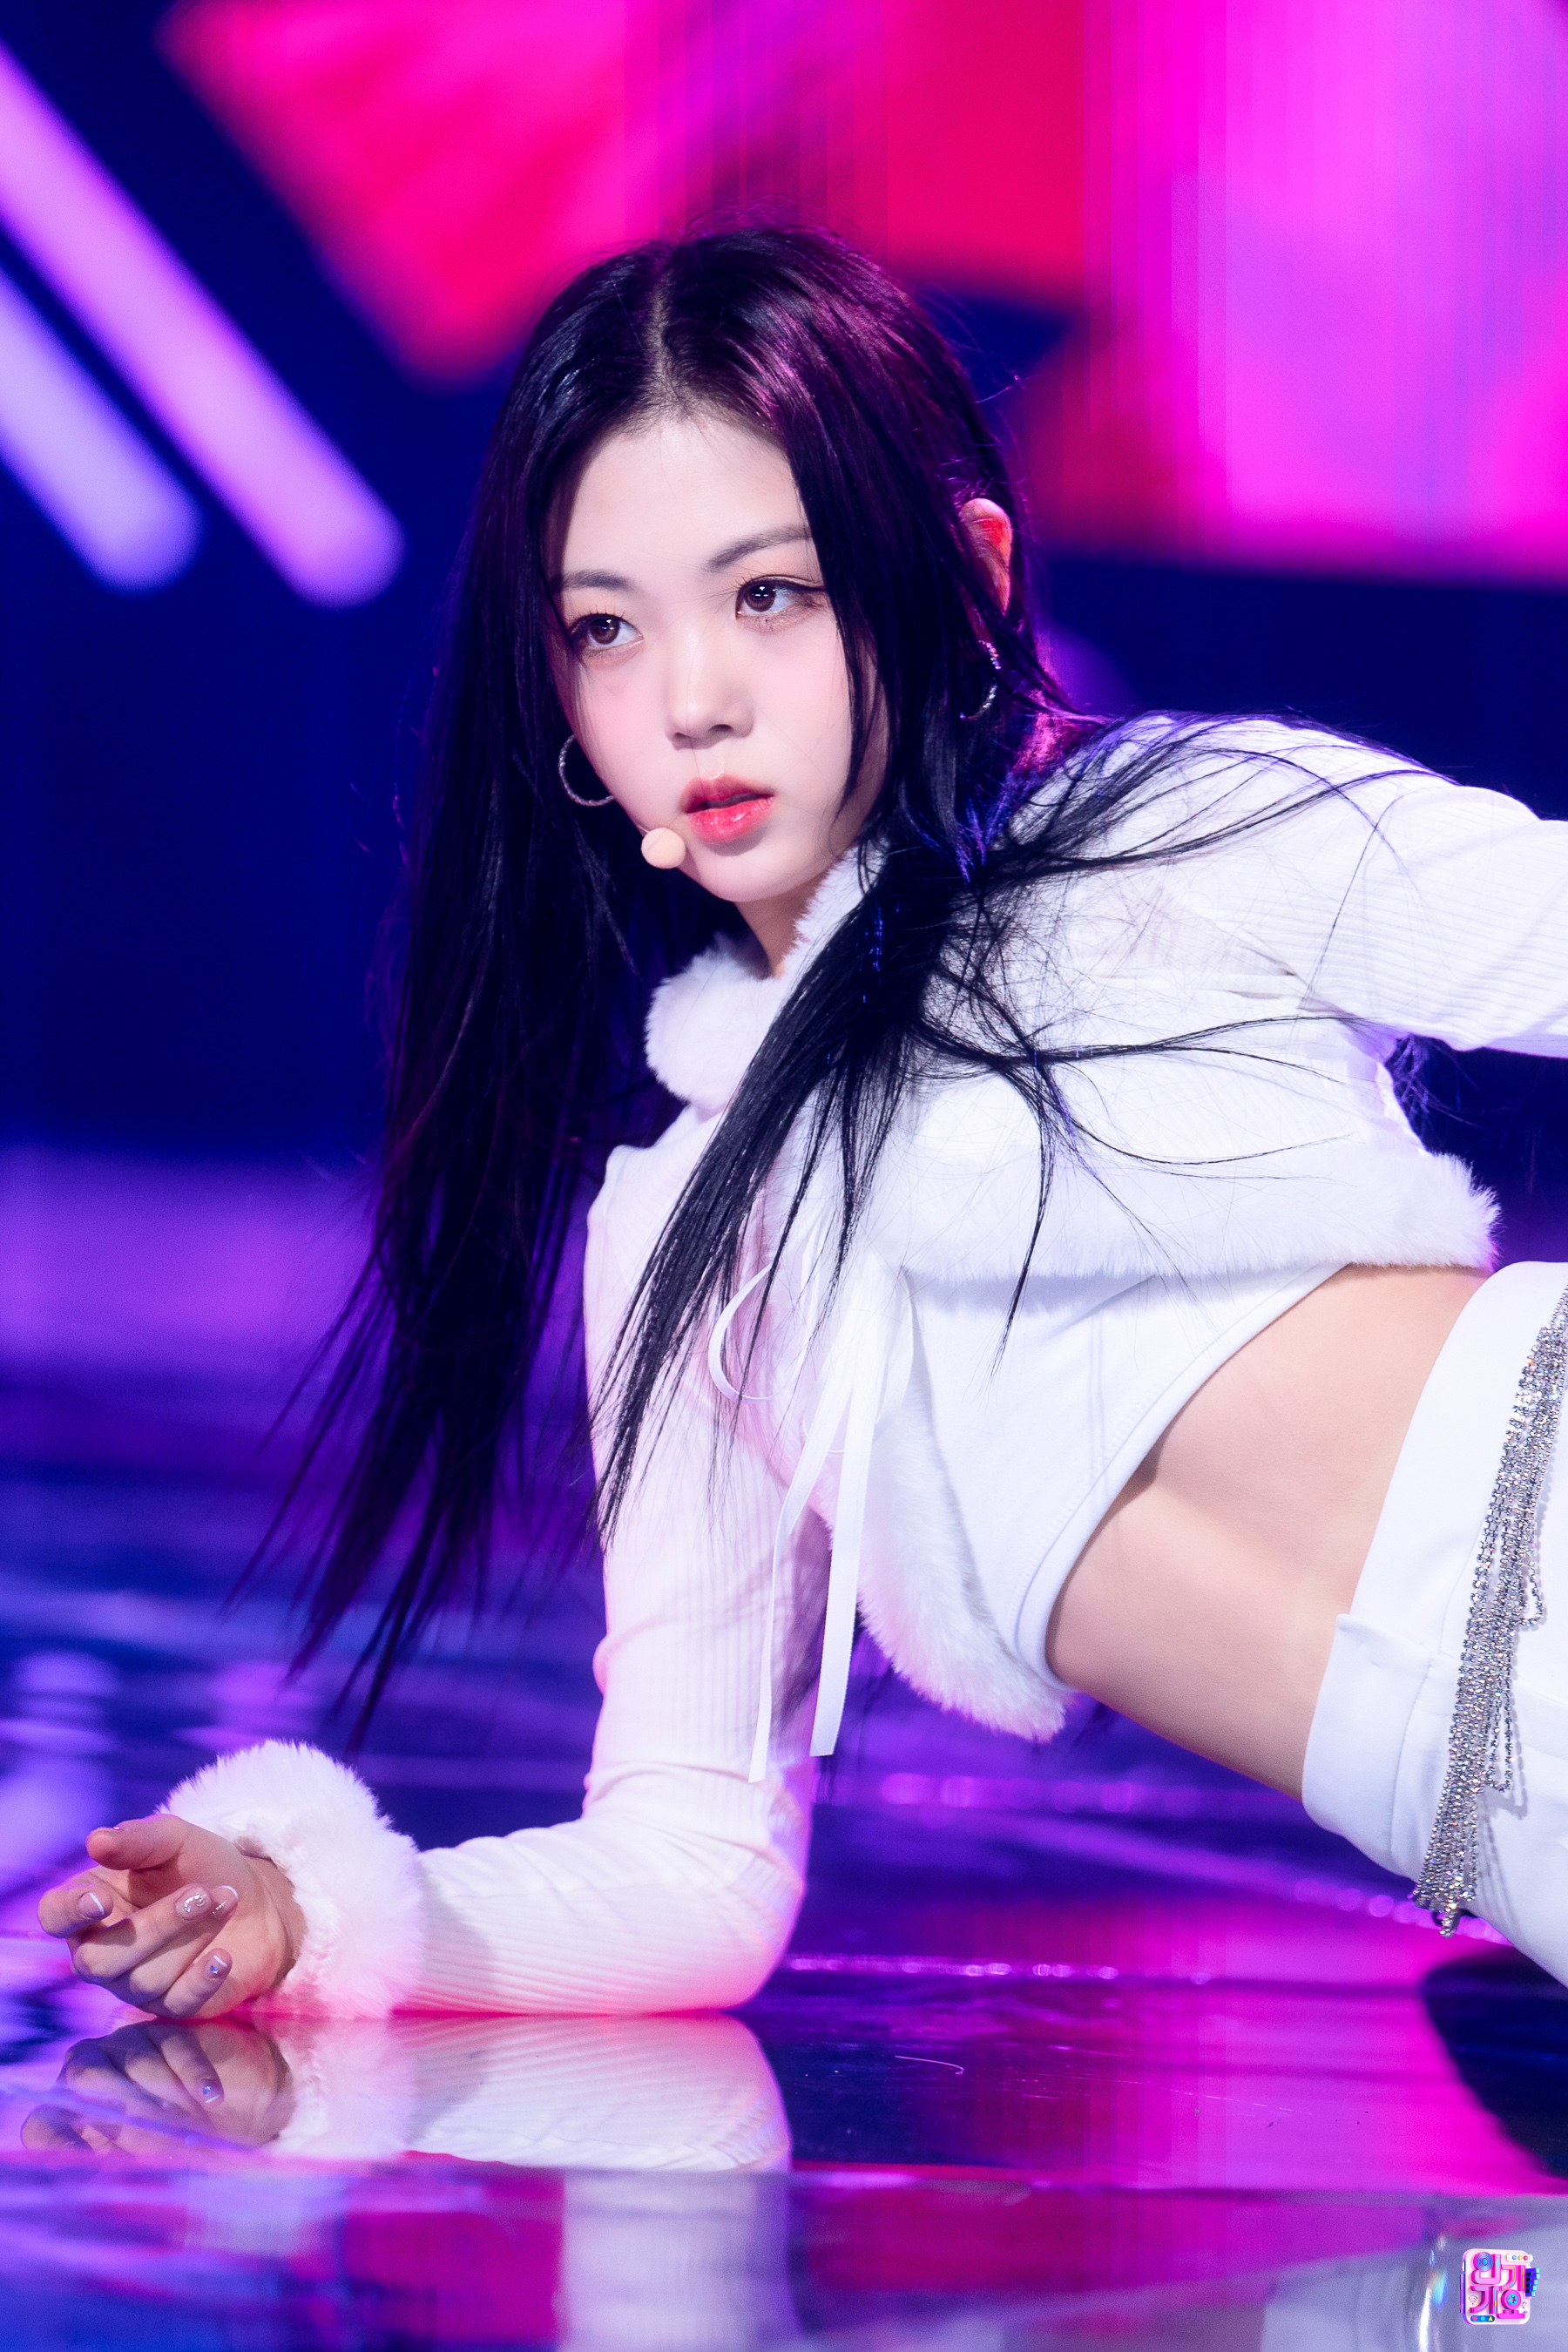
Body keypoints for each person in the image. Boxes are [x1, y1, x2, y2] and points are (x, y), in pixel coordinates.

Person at [34, 226, 1568, 2021]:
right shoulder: (690, 1230)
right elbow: (689, 1861)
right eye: (608, 629)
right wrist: (327, 1912)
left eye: (767, 594)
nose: (692, 697)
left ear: (968, 574)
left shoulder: (1188, 829)